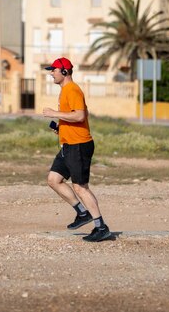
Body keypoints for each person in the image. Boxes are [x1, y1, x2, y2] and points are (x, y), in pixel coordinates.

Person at [42, 57, 111, 242]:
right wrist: (60, 127)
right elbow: (81, 114)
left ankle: (101, 227)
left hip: (79, 145)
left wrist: (54, 113)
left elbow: (80, 115)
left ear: (64, 72)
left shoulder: (72, 90)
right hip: (68, 144)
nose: (51, 73)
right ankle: (82, 213)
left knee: (80, 187)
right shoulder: (66, 91)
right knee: (53, 180)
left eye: (54, 70)